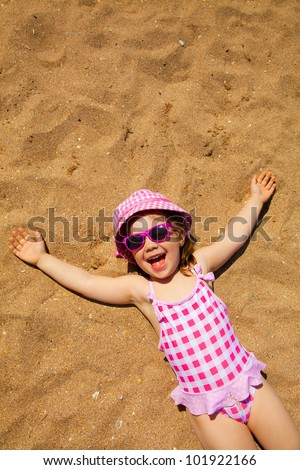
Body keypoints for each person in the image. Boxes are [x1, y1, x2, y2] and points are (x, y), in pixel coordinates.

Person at [8, 171, 300, 450]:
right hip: (209, 409)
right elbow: (88, 282)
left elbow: (232, 238)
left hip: (247, 384)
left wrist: (256, 201)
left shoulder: (198, 267)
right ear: (131, 253)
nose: (149, 244)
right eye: (136, 240)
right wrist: (42, 260)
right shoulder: (143, 291)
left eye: (158, 232)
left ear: (179, 235)